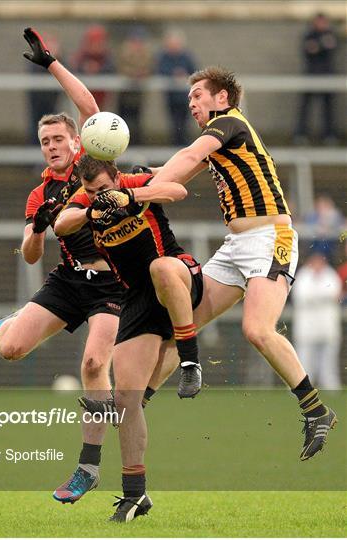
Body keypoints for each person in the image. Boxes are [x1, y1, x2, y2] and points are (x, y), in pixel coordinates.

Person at [147, 66, 337, 462]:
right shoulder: (218, 141)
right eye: (189, 99)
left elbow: (187, 157)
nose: (192, 103)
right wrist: (136, 182)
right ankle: (133, 402)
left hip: (271, 237)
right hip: (236, 246)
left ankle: (316, 410)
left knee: (257, 330)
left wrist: (143, 192)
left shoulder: (230, 122)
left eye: (199, 95)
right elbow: (179, 176)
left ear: (223, 99)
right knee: (180, 326)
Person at [0, 27, 124, 505]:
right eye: (44, 140)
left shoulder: (92, 160)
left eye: (58, 137)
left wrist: (52, 65)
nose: (51, 145)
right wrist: (38, 228)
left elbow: (91, 109)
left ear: (74, 141)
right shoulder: (40, 192)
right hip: (69, 278)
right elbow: (29, 253)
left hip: (115, 282)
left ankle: (87, 469)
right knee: (10, 349)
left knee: (92, 363)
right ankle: (11, 323)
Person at [54, 154, 204, 521]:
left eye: (104, 188)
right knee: (125, 398)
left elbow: (177, 189)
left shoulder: (133, 184)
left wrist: (130, 197)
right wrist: (91, 210)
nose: (98, 195)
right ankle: (135, 495)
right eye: (91, 191)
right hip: (136, 297)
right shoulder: (87, 201)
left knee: (159, 267)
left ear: (116, 177)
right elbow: (62, 225)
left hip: (177, 273)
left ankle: (190, 361)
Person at [291, 252, 343, 389]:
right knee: (304, 360)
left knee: (328, 362)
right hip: (307, 328)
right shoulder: (303, 275)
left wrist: (318, 297)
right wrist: (323, 297)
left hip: (327, 327)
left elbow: (335, 294)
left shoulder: (330, 274)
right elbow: (302, 295)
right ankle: (303, 389)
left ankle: (331, 388)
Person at [294, 12, 339, 144]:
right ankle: (300, 134)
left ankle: (329, 135)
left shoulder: (331, 34)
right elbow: (309, 48)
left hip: (328, 77)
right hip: (310, 76)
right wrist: (322, 44)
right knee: (305, 108)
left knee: (328, 108)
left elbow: (332, 46)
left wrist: (317, 46)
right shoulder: (309, 35)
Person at [156, 28, 197, 146]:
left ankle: (183, 147)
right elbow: (160, 71)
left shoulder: (187, 57)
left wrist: (185, 76)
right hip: (171, 97)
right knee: (174, 125)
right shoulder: (164, 57)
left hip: (186, 98)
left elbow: (195, 71)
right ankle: (176, 148)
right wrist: (172, 75)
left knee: (184, 125)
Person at [116, 26, 153, 145]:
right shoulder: (123, 53)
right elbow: (119, 68)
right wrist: (131, 74)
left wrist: (142, 74)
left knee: (136, 122)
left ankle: (135, 144)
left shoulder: (146, 54)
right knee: (123, 121)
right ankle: (122, 145)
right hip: (124, 94)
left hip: (138, 95)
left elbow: (149, 68)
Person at [26, 32, 62, 145]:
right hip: (38, 109)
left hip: (55, 107)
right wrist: (46, 62)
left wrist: (53, 61)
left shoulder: (61, 62)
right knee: (37, 135)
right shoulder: (35, 63)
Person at [70, 24, 115, 110]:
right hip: (83, 100)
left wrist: (98, 69)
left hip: (102, 100)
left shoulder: (106, 57)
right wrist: (86, 68)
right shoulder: (81, 56)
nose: (96, 45)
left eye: (99, 42)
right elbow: (73, 70)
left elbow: (111, 69)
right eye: (93, 42)